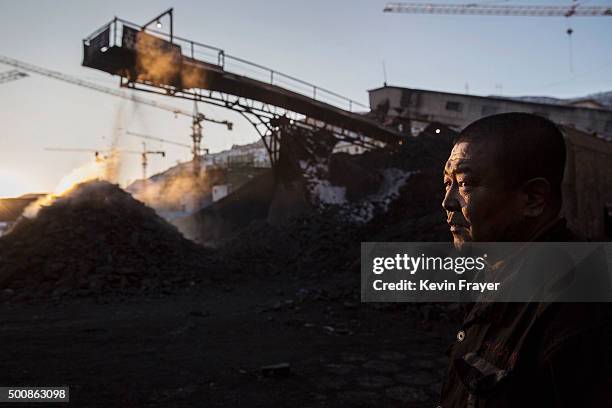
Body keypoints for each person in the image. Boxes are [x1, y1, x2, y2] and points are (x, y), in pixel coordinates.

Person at [438, 112, 611, 407]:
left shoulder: (579, 310)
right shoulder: (496, 266)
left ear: (533, 199)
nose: (448, 201)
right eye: (447, 183)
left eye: (465, 184)